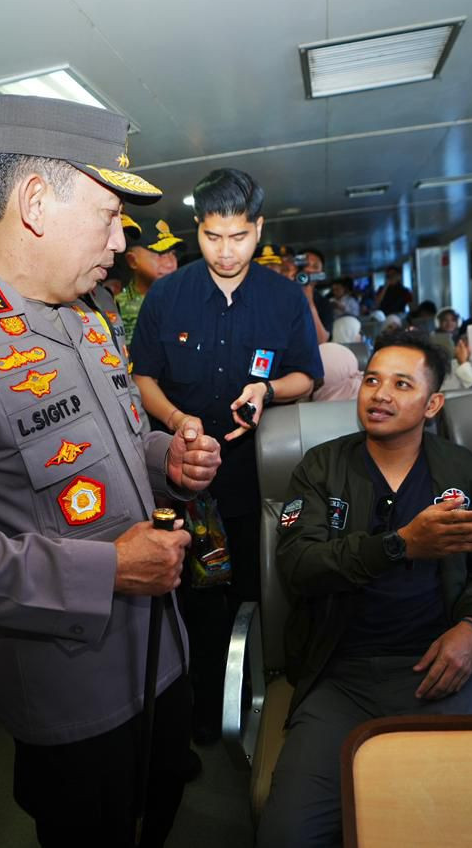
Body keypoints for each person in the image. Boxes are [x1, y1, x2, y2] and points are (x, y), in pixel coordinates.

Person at [0, 95, 221, 848]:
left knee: (164, 812)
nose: (123, 242)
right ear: (34, 203)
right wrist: (107, 571)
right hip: (75, 689)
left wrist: (168, 460)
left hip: (162, 651)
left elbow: (100, 451)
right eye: (108, 215)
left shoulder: (88, 317)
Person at [257, 330, 472, 847]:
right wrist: (399, 545)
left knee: (467, 827)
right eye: (371, 380)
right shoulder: (321, 468)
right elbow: (299, 566)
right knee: (287, 835)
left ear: (433, 403)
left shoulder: (461, 472)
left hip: (436, 672)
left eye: (401, 384)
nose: (380, 394)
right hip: (339, 674)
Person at [130, 168, 323, 742]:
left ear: (258, 229)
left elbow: (307, 377)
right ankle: (193, 718)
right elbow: (143, 377)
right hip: (178, 479)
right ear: (199, 230)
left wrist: (267, 389)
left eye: (239, 237)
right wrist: (175, 419)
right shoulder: (168, 295)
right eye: (213, 237)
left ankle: (252, 707)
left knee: (251, 595)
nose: (226, 251)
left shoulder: (284, 298)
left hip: (251, 481)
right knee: (185, 603)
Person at [116, 218, 183, 346]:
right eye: (160, 254)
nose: (170, 263)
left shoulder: (188, 299)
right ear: (132, 260)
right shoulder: (115, 307)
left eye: (173, 253)